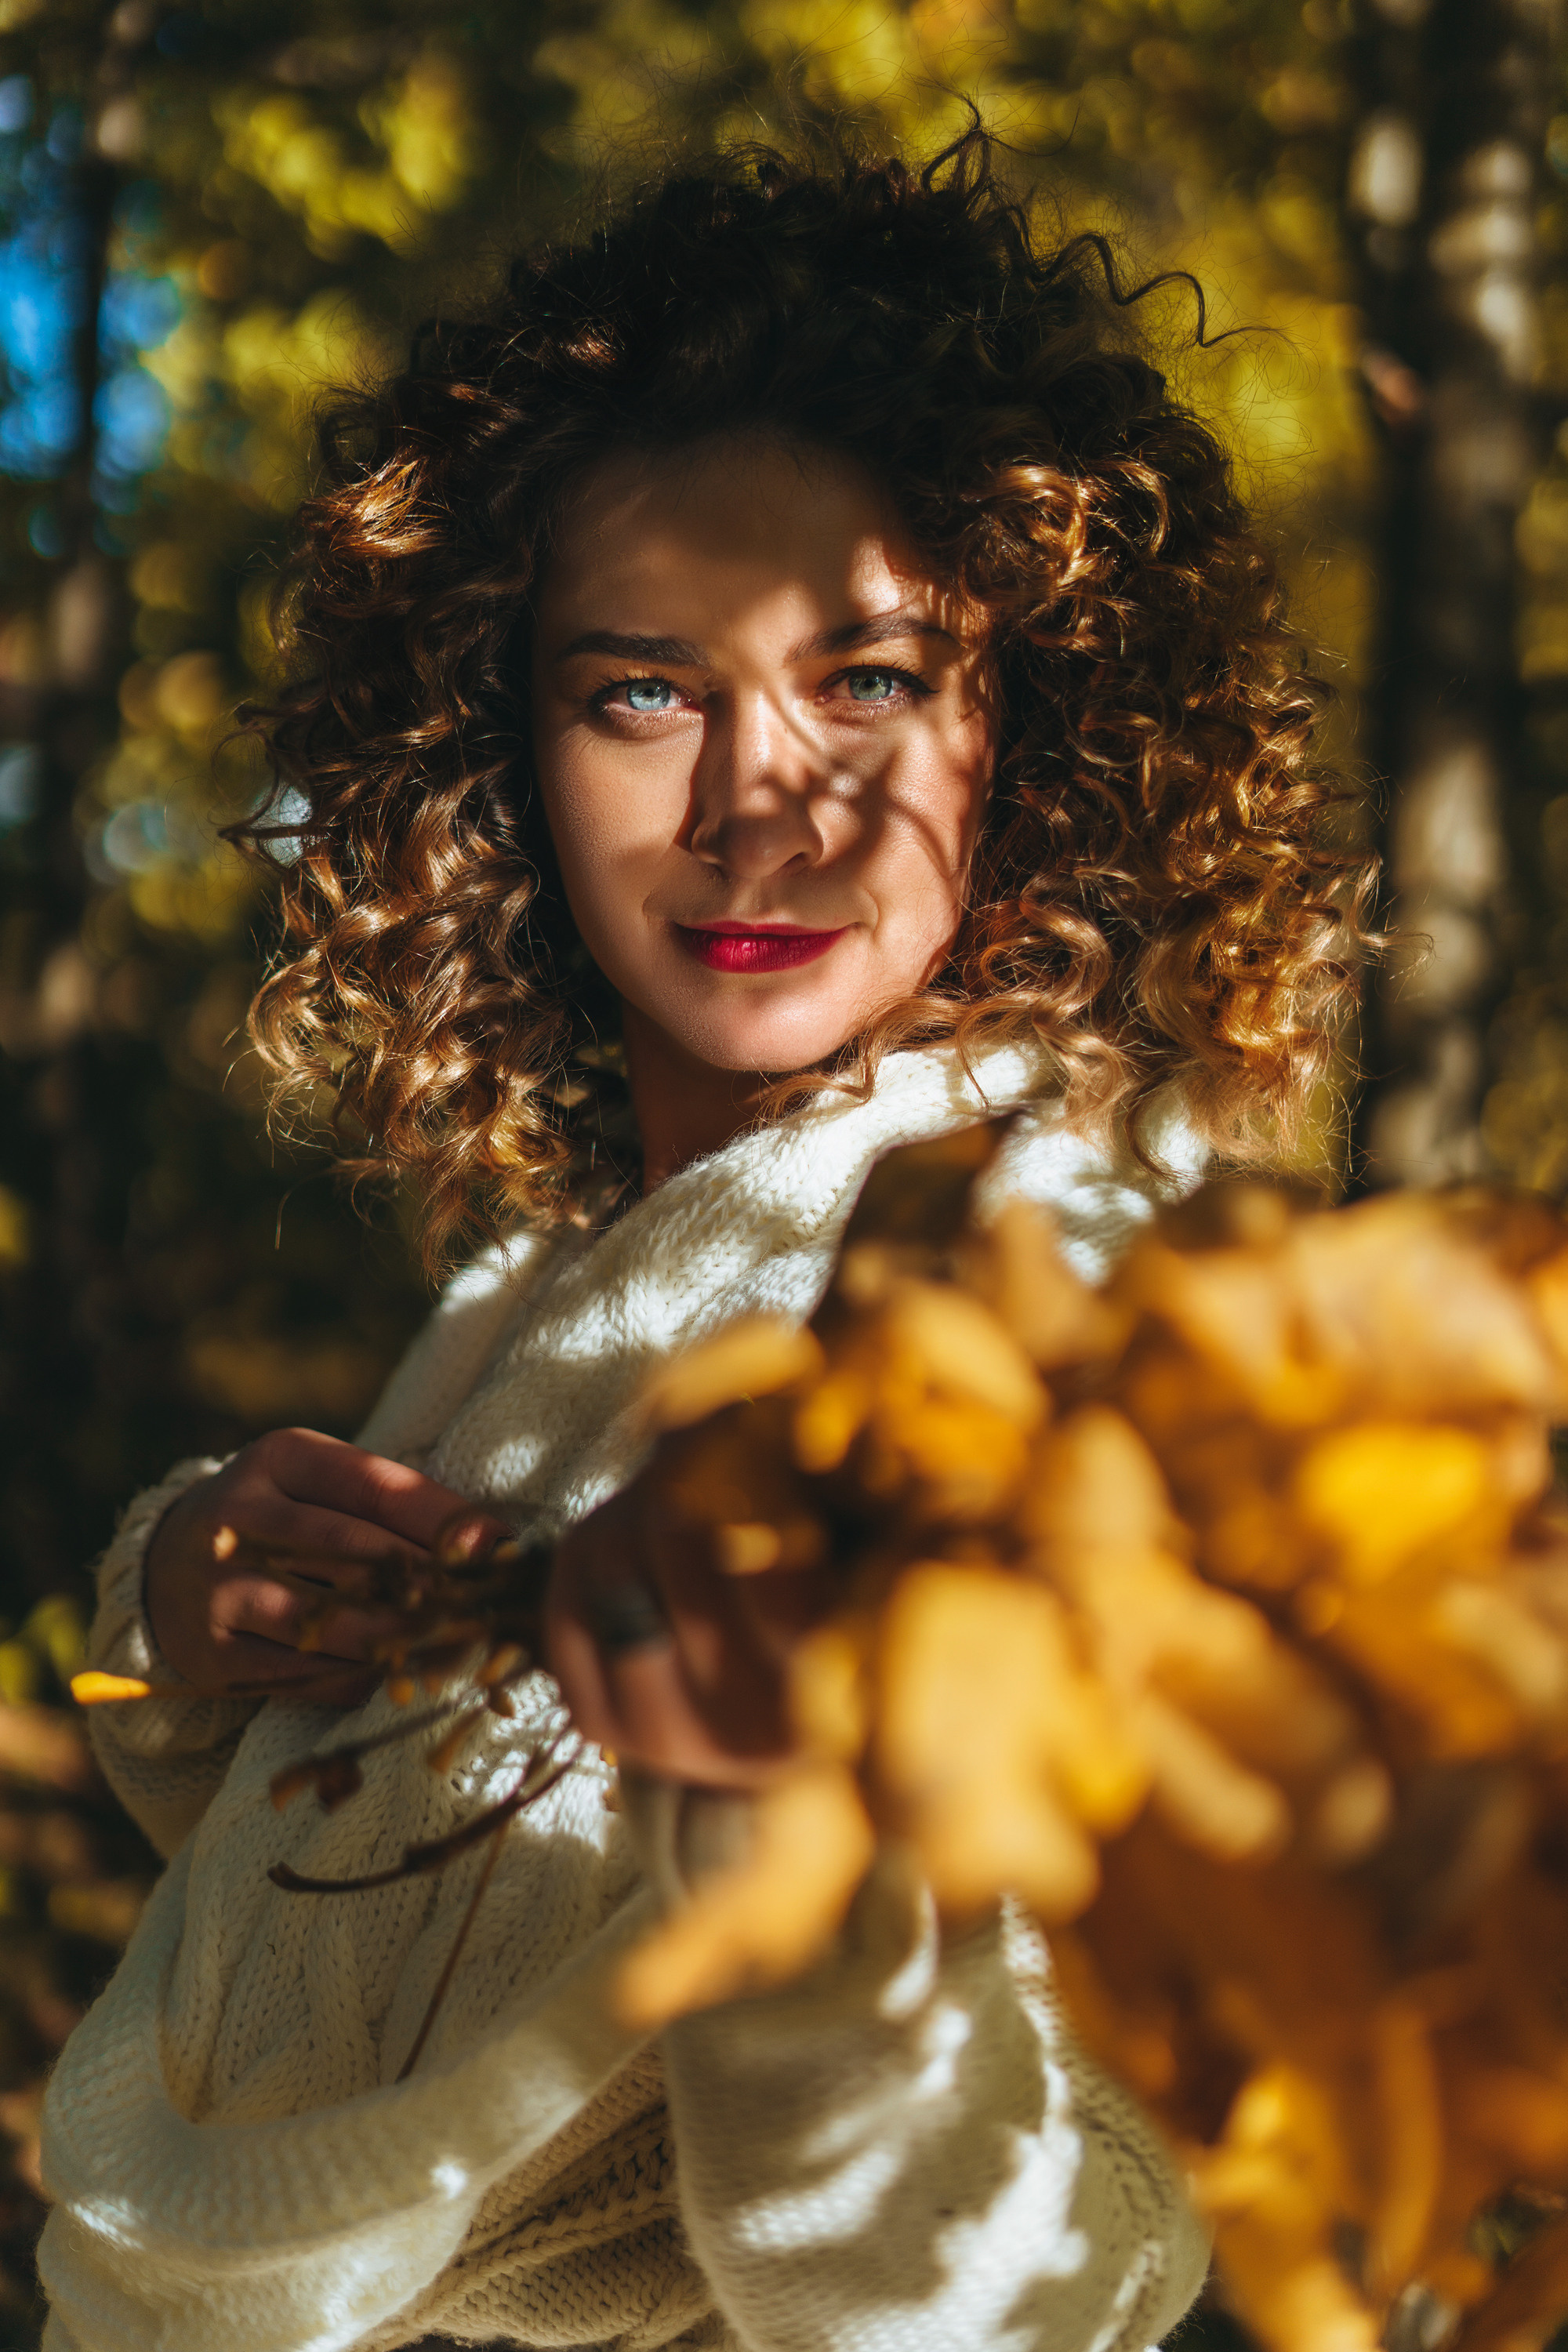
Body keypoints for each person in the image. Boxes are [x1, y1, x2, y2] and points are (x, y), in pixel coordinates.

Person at [37, 126, 1363, 2352]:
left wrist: (778, 1846)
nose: (760, 805)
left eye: (867, 681)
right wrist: (171, 1619)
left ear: (1029, 729)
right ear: (498, 749)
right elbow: (377, 1913)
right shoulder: (558, 1278)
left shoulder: (1066, 1316)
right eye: (644, 689)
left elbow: (1043, 2282)